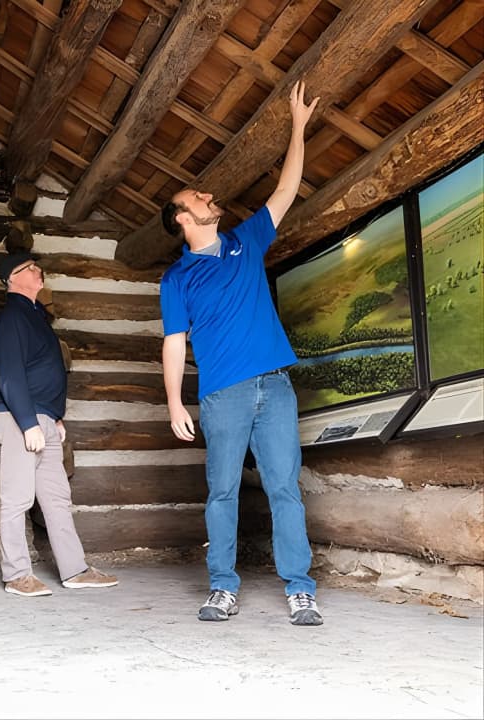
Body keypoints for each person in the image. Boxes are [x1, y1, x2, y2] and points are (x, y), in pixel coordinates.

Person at [159, 81, 323, 626]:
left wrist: (298, 127)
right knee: (222, 492)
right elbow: (174, 342)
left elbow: (287, 188)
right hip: (222, 395)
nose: (208, 196)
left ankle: (300, 589)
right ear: (182, 219)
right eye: (197, 197)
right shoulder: (176, 278)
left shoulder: (246, 241)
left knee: (285, 489)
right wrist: (175, 403)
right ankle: (223, 587)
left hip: (275, 386)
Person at [0, 251, 118, 597]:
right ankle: (17, 576)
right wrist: (28, 423)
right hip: (18, 418)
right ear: (12, 278)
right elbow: (11, 375)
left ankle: (74, 570)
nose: (38, 270)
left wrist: (54, 418)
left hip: (42, 419)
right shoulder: (12, 316)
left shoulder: (36, 316)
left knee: (57, 498)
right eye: (30, 267)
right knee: (17, 498)